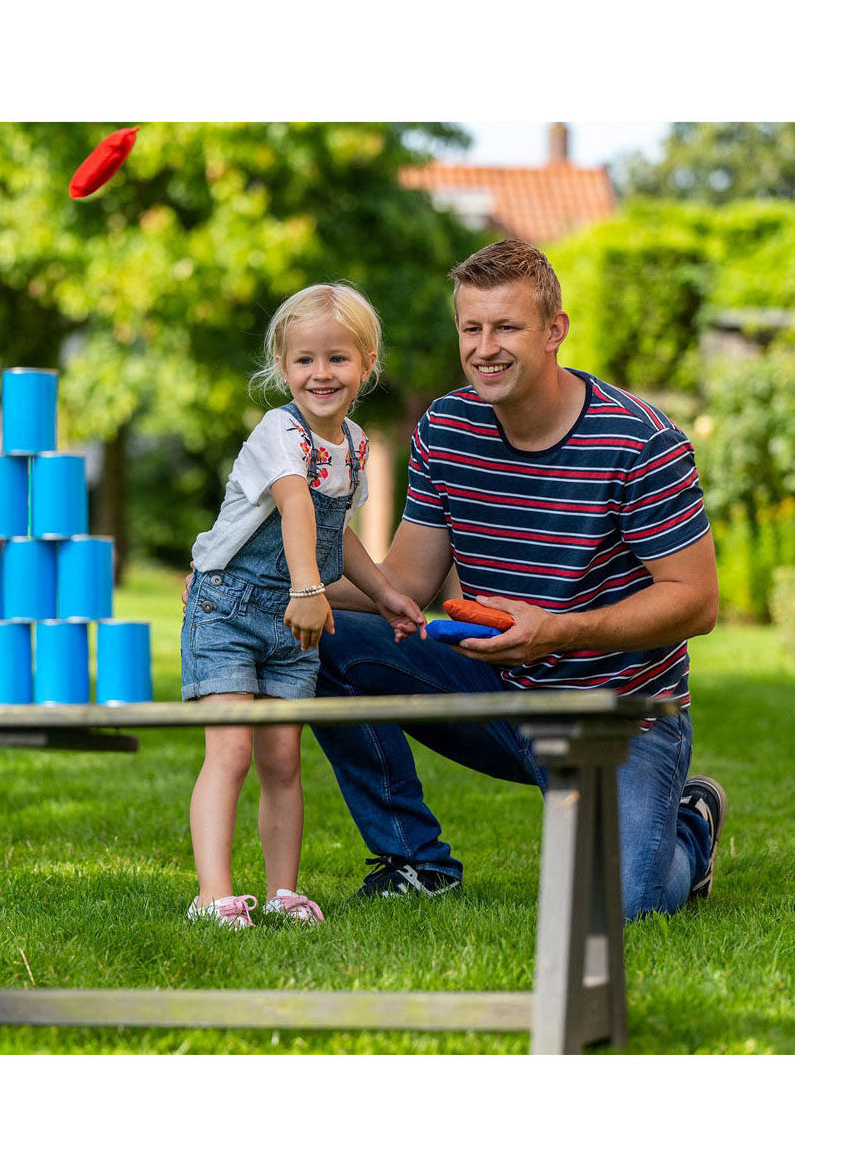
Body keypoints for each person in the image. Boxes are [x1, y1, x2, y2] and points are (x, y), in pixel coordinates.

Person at [312, 239, 727, 920]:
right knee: (324, 638)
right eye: (471, 328)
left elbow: (697, 603)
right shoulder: (446, 429)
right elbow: (404, 587)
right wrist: (276, 581)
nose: (485, 347)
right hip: (498, 692)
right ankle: (415, 862)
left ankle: (690, 825)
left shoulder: (639, 442)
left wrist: (557, 633)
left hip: (616, 718)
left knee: (617, 911)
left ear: (554, 330)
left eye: (506, 327)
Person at [181, 283, 425, 929]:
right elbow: (294, 506)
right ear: (283, 368)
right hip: (231, 608)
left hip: (292, 616)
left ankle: (283, 892)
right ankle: (212, 896)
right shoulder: (278, 432)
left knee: (284, 759)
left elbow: (331, 530)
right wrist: (310, 591)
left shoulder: (353, 445)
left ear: (366, 365)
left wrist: (384, 593)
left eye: (338, 359)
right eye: (304, 361)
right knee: (229, 751)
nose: (321, 374)